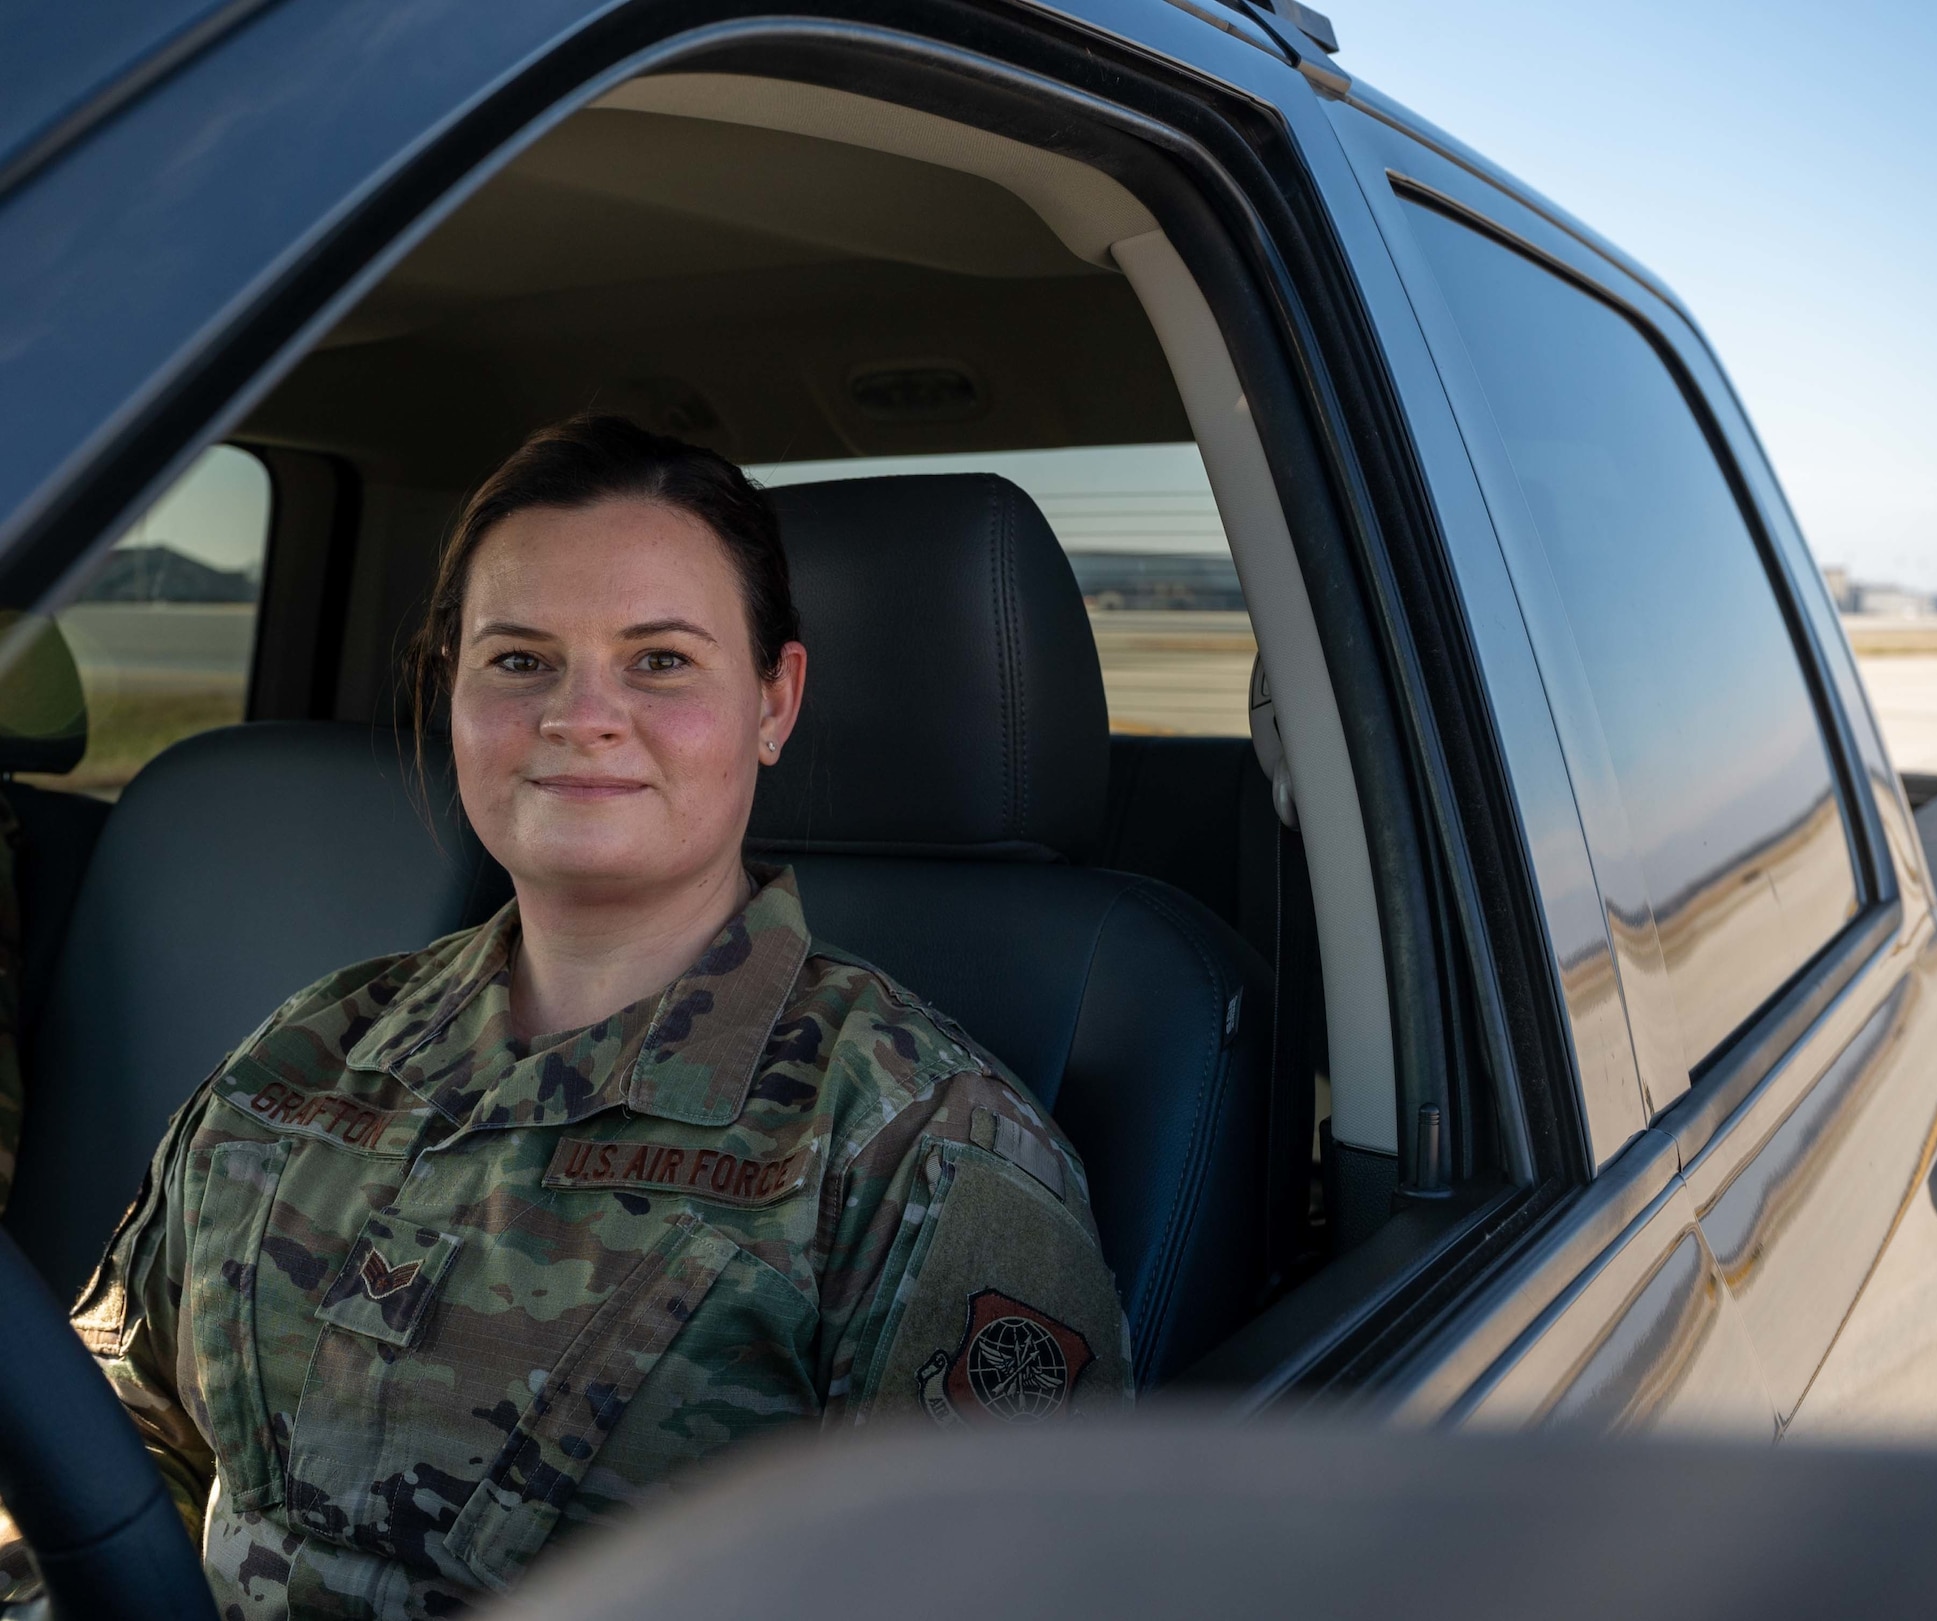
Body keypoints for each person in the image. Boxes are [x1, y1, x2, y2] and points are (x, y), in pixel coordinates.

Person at [0, 417, 1130, 1618]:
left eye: (658, 661)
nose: (577, 715)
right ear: (451, 688)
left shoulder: (920, 1148)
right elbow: (104, 1454)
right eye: (520, 659)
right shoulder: (308, 1050)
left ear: (772, 699)